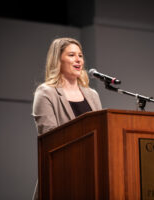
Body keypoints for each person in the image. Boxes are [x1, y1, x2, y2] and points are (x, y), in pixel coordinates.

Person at [31, 37, 102, 199]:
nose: (78, 60)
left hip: (92, 178)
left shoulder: (92, 95)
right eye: (71, 55)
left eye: (80, 55)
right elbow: (50, 140)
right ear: (58, 60)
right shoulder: (46, 93)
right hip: (62, 177)